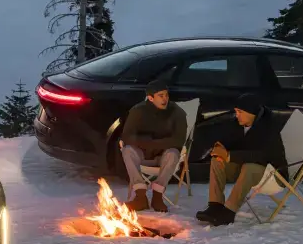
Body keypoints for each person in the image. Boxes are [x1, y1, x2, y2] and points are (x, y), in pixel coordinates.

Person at [196, 93, 287, 226]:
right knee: (217, 161)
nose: (236, 114)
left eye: (240, 111)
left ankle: (229, 212)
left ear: (251, 112)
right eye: (236, 111)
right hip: (245, 170)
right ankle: (215, 206)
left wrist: (228, 156)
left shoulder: (269, 127)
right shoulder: (238, 123)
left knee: (250, 167)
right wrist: (221, 148)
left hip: (273, 174)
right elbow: (231, 142)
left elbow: (262, 155)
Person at [119, 78, 192, 212]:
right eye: (161, 95)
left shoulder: (177, 112)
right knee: (127, 150)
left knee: (173, 153)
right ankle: (140, 196)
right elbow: (127, 136)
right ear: (150, 98)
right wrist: (152, 143)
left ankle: (157, 196)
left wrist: (149, 142)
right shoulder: (137, 111)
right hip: (143, 154)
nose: (165, 99)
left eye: (166, 95)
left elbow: (178, 140)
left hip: (163, 155)